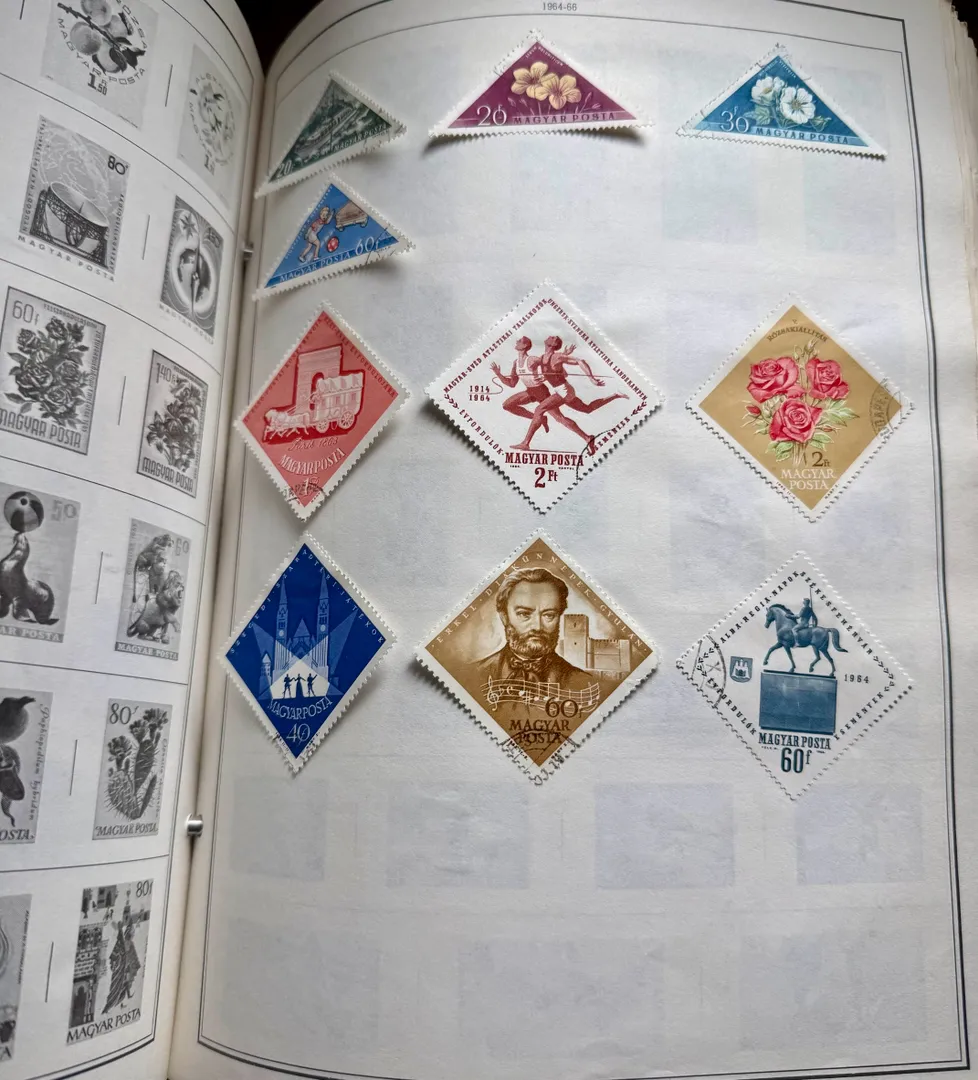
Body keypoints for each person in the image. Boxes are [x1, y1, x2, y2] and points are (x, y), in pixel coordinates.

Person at [463, 566, 596, 701]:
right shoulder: (472, 675)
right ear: (505, 617)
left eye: (549, 615)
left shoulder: (582, 683)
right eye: (524, 614)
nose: (537, 627)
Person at [512, 336, 627, 455]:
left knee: (539, 409)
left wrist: (591, 378)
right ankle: (614, 398)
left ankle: (526, 443)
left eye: (553, 338)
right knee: (587, 409)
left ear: (552, 344)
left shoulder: (556, 356)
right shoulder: (543, 357)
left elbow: (580, 361)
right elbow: (561, 372)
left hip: (564, 391)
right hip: (563, 390)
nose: (552, 337)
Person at [490, 336, 551, 433]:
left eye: (519, 341)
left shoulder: (532, 359)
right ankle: (540, 418)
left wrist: (546, 377)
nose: (517, 341)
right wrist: (498, 374)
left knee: (559, 417)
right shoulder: (516, 362)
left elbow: (549, 364)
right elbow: (512, 383)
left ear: (525, 345)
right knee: (507, 405)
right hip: (530, 392)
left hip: (542, 392)